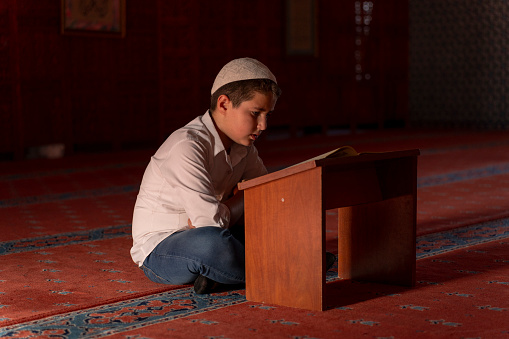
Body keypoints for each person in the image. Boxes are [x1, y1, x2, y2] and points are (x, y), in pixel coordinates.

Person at [131, 57, 336, 294]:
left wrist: (245, 206)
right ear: (224, 104)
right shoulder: (187, 146)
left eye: (267, 115)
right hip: (164, 248)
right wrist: (244, 199)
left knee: (275, 228)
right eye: (256, 113)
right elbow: (212, 224)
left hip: (216, 231)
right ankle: (296, 265)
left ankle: (221, 275)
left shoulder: (244, 148)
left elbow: (267, 197)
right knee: (213, 245)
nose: (263, 125)